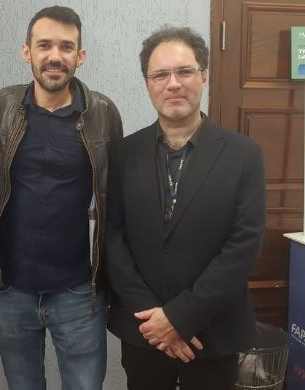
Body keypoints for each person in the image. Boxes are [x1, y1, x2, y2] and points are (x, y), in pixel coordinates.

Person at [106, 26, 266, 390]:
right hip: (144, 329)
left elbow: (243, 247)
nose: (173, 84)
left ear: (204, 75)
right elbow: (113, 238)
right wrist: (155, 321)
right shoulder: (123, 153)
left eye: (185, 71)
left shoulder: (243, 155)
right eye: (160, 74)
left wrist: (179, 318)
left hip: (212, 331)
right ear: (148, 83)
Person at [0, 6, 123, 390]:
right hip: (11, 290)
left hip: (79, 291)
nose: (55, 56)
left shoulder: (103, 113)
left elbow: (115, 201)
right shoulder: (0, 109)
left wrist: (111, 282)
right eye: (44, 45)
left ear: (80, 56)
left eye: (66, 47)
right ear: (27, 51)